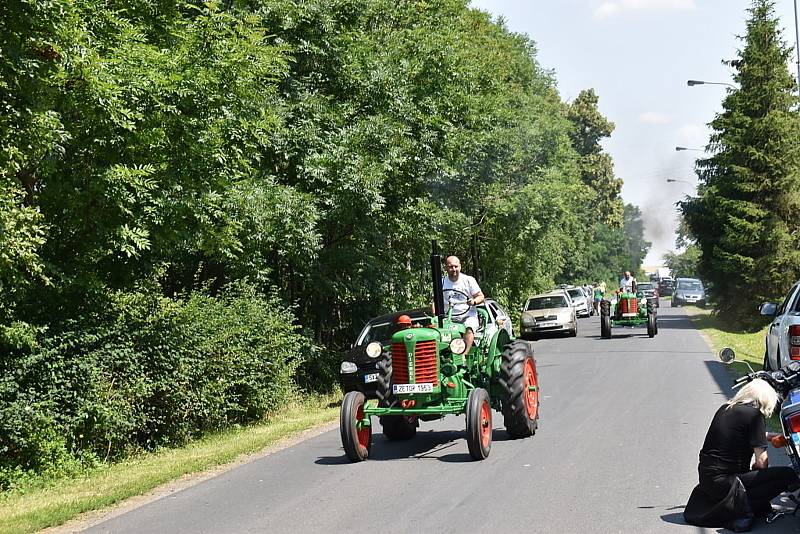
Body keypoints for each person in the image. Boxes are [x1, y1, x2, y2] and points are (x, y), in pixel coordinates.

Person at [684, 379, 799, 532]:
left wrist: (771, 437)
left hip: (708, 479)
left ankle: (746, 503)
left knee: (758, 476)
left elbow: (741, 433)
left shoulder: (726, 408)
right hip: (730, 482)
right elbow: (762, 462)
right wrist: (757, 468)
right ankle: (745, 506)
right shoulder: (754, 416)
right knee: (788, 474)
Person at [442, 256, 484, 355]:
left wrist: (473, 301)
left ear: (460, 267)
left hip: (467, 315)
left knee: (469, 327)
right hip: (448, 317)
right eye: (450, 267)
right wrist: (435, 315)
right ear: (446, 268)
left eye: (455, 266)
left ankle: (463, 356)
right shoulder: (442, 282)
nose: (453, 269)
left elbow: (481, 296)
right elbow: (435, 301)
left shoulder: (468, 280)